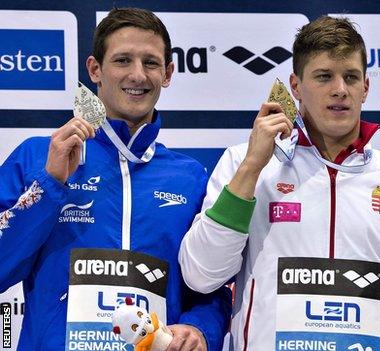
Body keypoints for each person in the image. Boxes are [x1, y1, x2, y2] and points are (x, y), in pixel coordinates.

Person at [178, 15, 380, 350]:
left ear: (365, 87)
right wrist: (252, 167)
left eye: (351, 77)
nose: (339, 90)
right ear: (295, 86)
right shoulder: (246, 165)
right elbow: (202, 274)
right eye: (324, 76)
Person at [0, 8, 231, 351]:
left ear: (168, 73)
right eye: (123, 60)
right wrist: (49, 184)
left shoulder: (191, 176)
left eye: (151, 63)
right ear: (95, 69)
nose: (138, 75)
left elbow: (212, 286)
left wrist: (199, 329)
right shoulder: (39, 156)